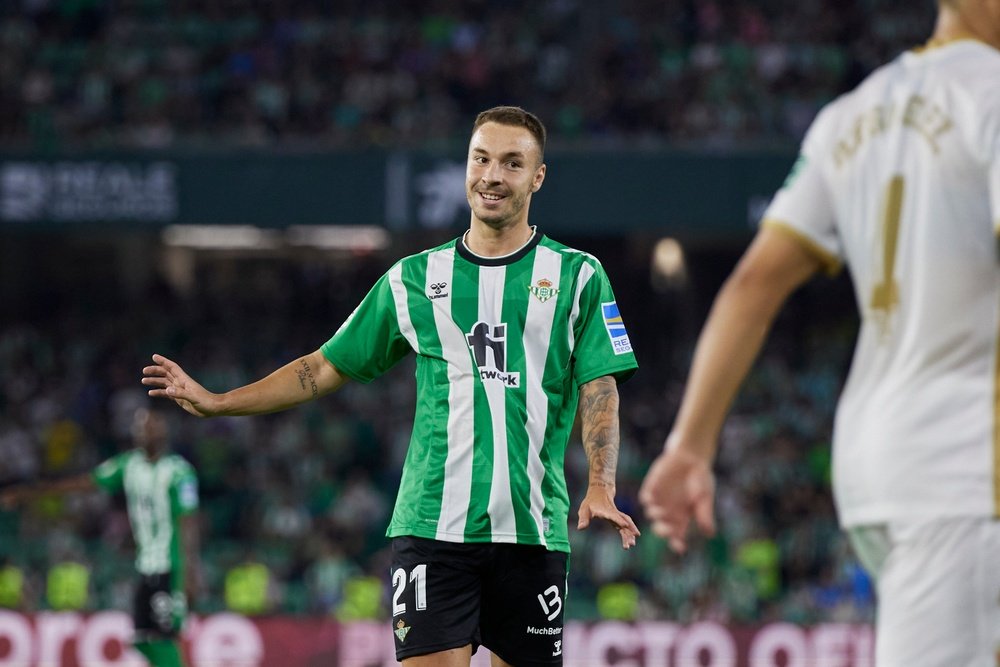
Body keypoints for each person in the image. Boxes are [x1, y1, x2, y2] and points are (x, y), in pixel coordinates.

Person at [142, 105, 641, 667]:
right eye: (481, 159)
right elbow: (326, 366)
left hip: (533, 533)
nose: (492, 176)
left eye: (511, 163)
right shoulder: (413, 279)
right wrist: (220, 402)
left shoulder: (578, 275)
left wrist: (601, 484)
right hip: (433, 528)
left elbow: (600, 384)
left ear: (537, 177)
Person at [640, 1, 1000, 665]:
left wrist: (690, 443)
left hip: (888, 463)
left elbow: (753, 284)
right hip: (968, 473)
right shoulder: (992, 95)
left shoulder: (850, 116)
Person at [1, 406, 200, 667]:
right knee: (142, 639)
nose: (146, 430)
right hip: (146, 566)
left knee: (165, 636)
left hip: (171, 567)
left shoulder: (178, 472)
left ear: (164, 432)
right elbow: (82, 484)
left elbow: (188, 522)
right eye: (141, 426)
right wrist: (26, 494)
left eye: (153, 425)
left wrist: (190, 571)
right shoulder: (128, 465)